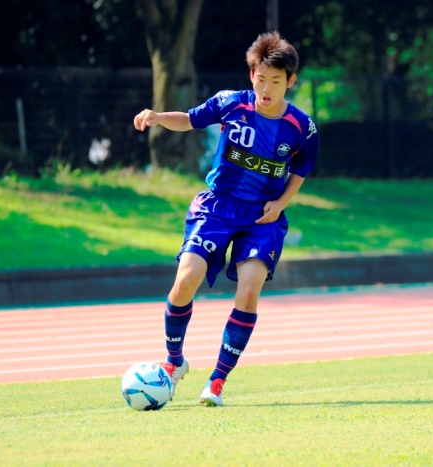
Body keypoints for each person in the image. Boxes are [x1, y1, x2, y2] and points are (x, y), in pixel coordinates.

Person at [133, 32, 319, 407]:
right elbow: (190, 120)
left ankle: (217, 381)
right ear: (251, 75)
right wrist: (158, 117)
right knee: (185, 281)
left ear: (290, 81)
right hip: (217, 207)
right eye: (261, 79)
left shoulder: (302, 127)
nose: (267, 89)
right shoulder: (231, 103)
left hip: (262, 218)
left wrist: (281, 203)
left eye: (276, 81)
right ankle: (174, 362)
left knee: (248, 291)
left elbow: (301, 168)